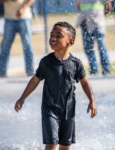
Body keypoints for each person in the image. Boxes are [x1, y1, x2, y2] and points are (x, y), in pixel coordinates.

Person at [15, 22, 97, 150]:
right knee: (52, 142)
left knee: (65, 145)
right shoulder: (46, 62)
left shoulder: (76, 64)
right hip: (49, 109)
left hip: (68, 111)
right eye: (51, 35)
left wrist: (92, 101)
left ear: (71, 42)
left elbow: (85, 82)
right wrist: (22, 97)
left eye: (58, 36)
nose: (53, 38)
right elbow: (35, 80)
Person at [0, 0, 35, 77]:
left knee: (27, 45)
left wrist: (23, 8)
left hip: (24, 18)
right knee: (5, 46)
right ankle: (2, 72)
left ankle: (30, 71)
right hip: (9, 19)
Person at [76, 0, 112, 75]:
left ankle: (106, 70)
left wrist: (100, 16)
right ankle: (94, 71)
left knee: (102, 47)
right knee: (88, 49)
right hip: (85, 22)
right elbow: (79, 5)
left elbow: (108, 6)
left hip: (97, 23)